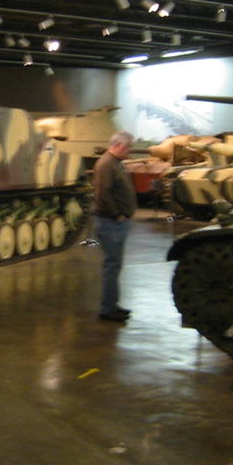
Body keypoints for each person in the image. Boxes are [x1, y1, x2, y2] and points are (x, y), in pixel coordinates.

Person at [92, 130, 137, 322]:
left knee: (115, 265)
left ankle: (112, 304)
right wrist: (116, 215)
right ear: (117, 145)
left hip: (116, 222)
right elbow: (103, 195)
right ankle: (107, 309)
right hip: (111, 223)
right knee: (112, 266)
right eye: (127, 147)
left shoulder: (114, 163)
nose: (130, 151)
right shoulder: (106, 164)